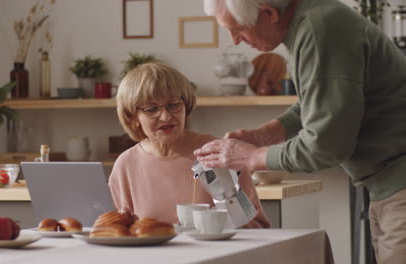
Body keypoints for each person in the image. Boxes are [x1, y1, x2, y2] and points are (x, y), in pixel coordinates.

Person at [195, 0, 406, 262]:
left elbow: (325, 147)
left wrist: (251, 157)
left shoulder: (319, 30)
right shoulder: (314, 19)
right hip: (387, 186)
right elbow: (324, 99)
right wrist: (267, 134)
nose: (235, 40)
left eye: (237, 29)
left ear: (268, 13)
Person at [109, 62, 270, 228]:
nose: (166, 117)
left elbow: (259, 228)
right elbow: (112, 232)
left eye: (174, 105)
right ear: (133, 117)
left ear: (186, 105)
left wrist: (227, 204)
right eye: (151, 109)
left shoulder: (219, 154)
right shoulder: (126, 165)